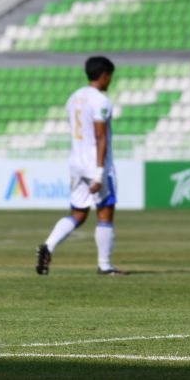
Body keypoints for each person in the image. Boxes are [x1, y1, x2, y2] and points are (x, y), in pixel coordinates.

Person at [36, 56, 124, 276]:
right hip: (96, 164)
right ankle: (105, 265)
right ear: (103, 75)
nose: (110, 80)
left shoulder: (73, 98)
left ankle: (48, 246)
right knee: (105, 212)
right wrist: (99, 173)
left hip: (76, 163)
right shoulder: (100, 100)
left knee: (78, 213)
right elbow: (100, 136)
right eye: (110, 76)